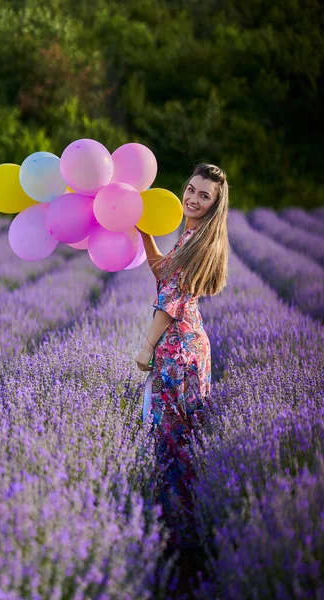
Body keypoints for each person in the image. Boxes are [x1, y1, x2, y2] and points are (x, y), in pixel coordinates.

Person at [135, 162, 229, 549]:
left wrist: (147, 345)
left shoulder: (198, 241)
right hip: (189, 345)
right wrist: (144, 235)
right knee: (181, 434)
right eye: (191, 189)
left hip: (177, 348)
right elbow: (164, 273)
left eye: (203, 195)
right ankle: (183, 526)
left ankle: (176, 532)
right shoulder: (192, 236)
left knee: (170, 437)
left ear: (215, 204)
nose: (192, 199)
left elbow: (170, 298)